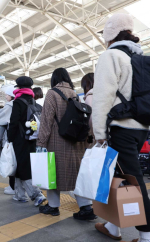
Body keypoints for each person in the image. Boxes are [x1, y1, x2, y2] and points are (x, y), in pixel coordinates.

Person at [92, 13, 150, 242]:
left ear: (110, 35)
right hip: (140, 128)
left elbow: (102, 98)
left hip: (120, 129)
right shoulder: (140, 59)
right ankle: (112, 226)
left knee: (133, 182)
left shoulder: (111, 56)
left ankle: (146, 235)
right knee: (116, 178)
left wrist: (99, 134)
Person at [37, 68, 96, 219]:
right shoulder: (75, 94)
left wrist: (41, 142)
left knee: (52, 173)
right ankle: (86, 207)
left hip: (57, 141)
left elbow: (46, 120)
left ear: (54, 79)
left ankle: (53, 206)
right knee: (76, 174)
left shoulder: (52, 93)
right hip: (75, 141)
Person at [7, 76, 46, 206]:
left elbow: (13, 122)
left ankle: (37, 195)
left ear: (19, 87)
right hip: (32, 138)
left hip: (20, 139)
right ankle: (19, 195)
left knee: (24, 167)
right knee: (20, 166)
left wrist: (9, 138)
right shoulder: (34, 102)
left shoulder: (18, 102)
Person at [81, 73, 95, 145]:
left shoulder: (89, 97)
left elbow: (91, 119)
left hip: (96, 137)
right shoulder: (102, 94)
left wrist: (90, 134)